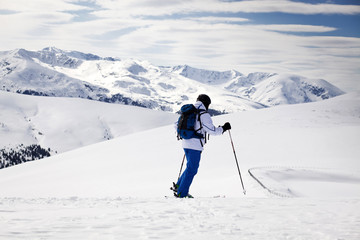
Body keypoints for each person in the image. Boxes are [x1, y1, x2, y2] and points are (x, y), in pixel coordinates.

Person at [174, 94, 231, 198]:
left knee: (190, 167)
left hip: (185, 143)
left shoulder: (188, 110)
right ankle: (182, 193)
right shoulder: (203, 114)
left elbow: (176, 124)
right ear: (206, 103)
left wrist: (187, 134)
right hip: (195, 145)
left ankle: (179, 186)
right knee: (192, 169)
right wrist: (224, 128)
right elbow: (212, 131)